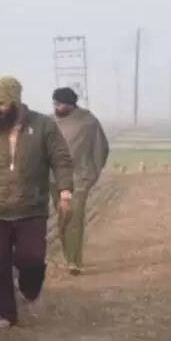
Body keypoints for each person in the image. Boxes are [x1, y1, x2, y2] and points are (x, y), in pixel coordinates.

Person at [0, 76, 74, 328]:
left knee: (32, 259)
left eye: (3, 103)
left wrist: (65, 191)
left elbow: (61, 158)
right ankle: (6, 314)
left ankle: (30, 291)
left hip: (31, 207)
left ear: (16, 100)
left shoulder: (43, 126)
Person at [51, 86, 110, 275]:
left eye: (59, 104)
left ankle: (74, 262)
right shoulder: (48, 123)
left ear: (70, 104)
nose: (56, 107)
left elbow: (101, 149)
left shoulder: (88, 122)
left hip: (79, 180)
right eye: (54, 103)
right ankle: (69, 255)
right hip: (55, 180)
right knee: (62, 219)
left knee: (74, 219)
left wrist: (90, 176)